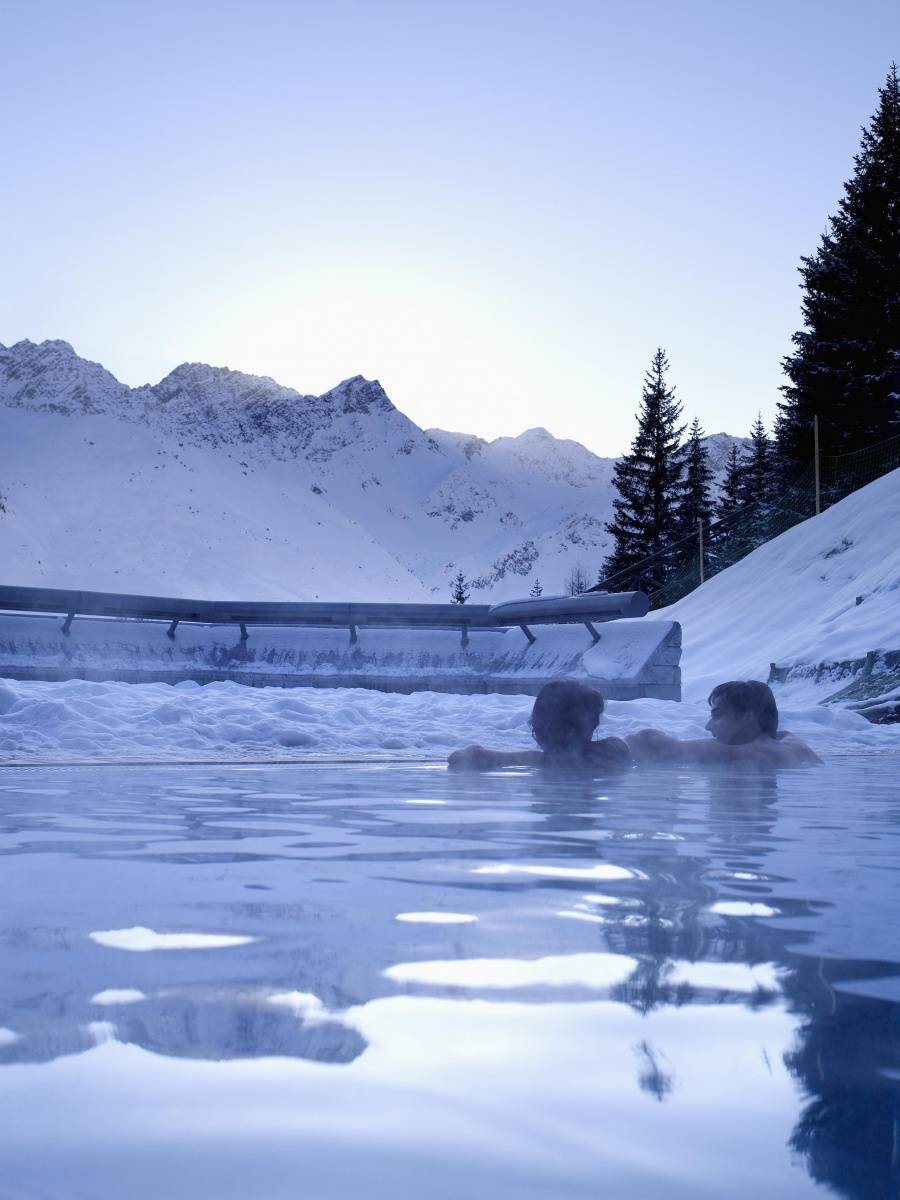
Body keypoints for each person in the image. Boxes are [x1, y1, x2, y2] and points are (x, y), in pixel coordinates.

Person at [626, 680, 821, 768]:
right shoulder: (794, 745)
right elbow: (779, 734)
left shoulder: (745, 755)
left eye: (718, 715)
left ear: (748, 716)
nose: (708, 726)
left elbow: (646, 743)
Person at [448, 680, 633, 772]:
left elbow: (463, 758)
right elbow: (646, 738)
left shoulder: (540, 762)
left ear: (537, 727)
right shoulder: (615, 750)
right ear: (594, 723)